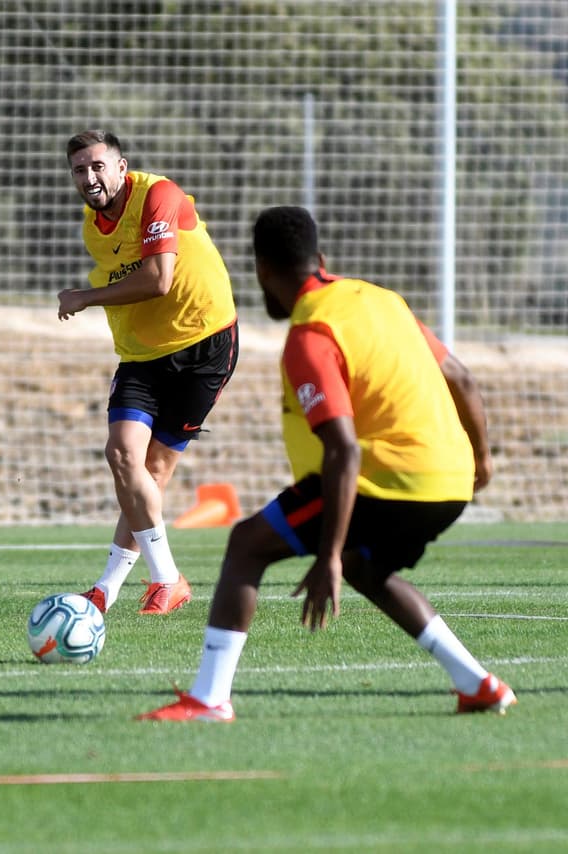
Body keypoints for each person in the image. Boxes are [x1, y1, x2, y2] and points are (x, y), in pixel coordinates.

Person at [140, 206, 514, 722]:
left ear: (262, 272)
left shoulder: (310, 335)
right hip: (450, 481)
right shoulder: (384, 301)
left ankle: (208, 700)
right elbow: (463, 378)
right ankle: (479, 684)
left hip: (387, 480)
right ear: (321, 258)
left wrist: (328, 555)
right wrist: (484, 461)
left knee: (248, 544)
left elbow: (344, 451)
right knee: (369, 569)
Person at [57, 130, 238, 616]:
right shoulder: (92, 226)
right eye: (79, 169)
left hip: (204, 346)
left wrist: (84, 297)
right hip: (141, 356)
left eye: (98, 166)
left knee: (154, 468)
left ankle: (109, 587)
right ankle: (163, 579)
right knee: (122, 455)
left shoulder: (159, 194)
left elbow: (159, 280)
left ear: (122, 167)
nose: (89, 177)